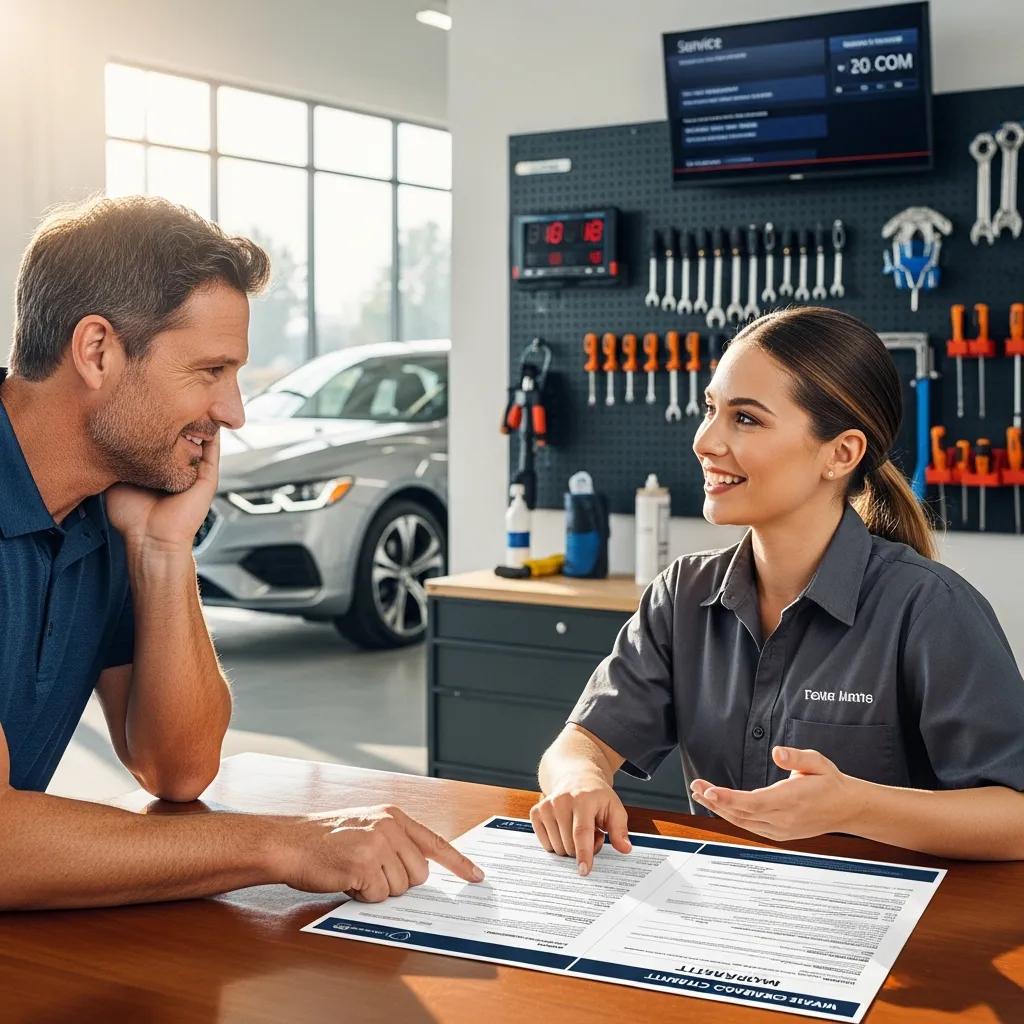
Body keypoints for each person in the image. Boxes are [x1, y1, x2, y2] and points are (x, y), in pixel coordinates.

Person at [0, 195, 482, 910]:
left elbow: (178, 769)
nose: (234, 412)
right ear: (97, 351)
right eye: (209, 371)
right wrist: (285, 844)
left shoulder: (103, 509)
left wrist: (164, 551)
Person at [533, 306, 1024, 874]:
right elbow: (581, 742)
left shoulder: (930, 609)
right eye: (711, 409)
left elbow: (1015, 815)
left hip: (886, 918)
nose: (705, 441)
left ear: (841, 454)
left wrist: (857, 806)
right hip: (730, 907)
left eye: (746, 419)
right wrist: (578, 779)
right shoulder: (682, 594)